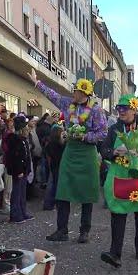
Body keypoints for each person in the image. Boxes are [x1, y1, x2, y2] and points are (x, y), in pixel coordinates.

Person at [28, 68, 108, 243]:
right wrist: (37, 82)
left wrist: (85, 136)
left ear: (85, 94)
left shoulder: (96, 111)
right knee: (62, 191)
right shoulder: (68, 104)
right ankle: (62, 230)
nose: (74, 93)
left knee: (87, 194)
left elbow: (102, 133)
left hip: (87, 154)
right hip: (70, 153)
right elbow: (53, 95)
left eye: (77, 91)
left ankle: (84, 231)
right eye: (74, 91)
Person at [99, 95, 138, 267]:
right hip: (120, 176)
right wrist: (113, 152)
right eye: (119, 108)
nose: (121, 112)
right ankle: (115, 253)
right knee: (118, 212)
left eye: (125, 108)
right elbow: (103, 149)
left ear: (134, 109)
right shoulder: (114, 129)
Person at [5, 115, 34, 224]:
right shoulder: (15, 140)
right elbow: (15, 157)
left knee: (22, 192)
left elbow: (25, 155)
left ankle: (22, 211)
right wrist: (19, 170)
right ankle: (15, 214)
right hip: (19, 170)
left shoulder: (23, 140)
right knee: (17, 192)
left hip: (24, 169)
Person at [43, 125, 66, 211]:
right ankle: (51, 203)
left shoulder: (50, 143)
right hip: (57, 166)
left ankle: (50, 203)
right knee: (55, 185)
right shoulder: (57, 144)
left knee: (53, 184)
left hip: (53, 166)